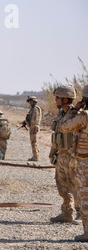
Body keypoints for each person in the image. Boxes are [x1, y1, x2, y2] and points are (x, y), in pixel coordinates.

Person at [61, 84, 88, 241]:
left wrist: (74, 110)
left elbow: (64, 127)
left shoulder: (83, 116)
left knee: (85, 196)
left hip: (84, 162)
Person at [49, 85, 79, 224]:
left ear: (65, 99)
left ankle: (81, 214)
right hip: (61, 155)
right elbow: (57, 136)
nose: (55, 100)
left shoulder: (75, 115)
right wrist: (53, 153)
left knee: (76, 186)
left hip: (72, 156)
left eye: (57, 98)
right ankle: (67, 212)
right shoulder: (61, 115)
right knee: (62, 186)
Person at [22, 96, 42, 161]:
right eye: (29, 102)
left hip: (34, 128)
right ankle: (35, 155)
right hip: (32, 128)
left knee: (34, 142)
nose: (30, 103)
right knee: (33, 142)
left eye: (31, 102)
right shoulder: (33, 109)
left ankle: (36, 156)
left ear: (34, 102)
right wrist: (26, 122)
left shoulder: (35, 109)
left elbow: (34, 120)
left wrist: (30, 126)